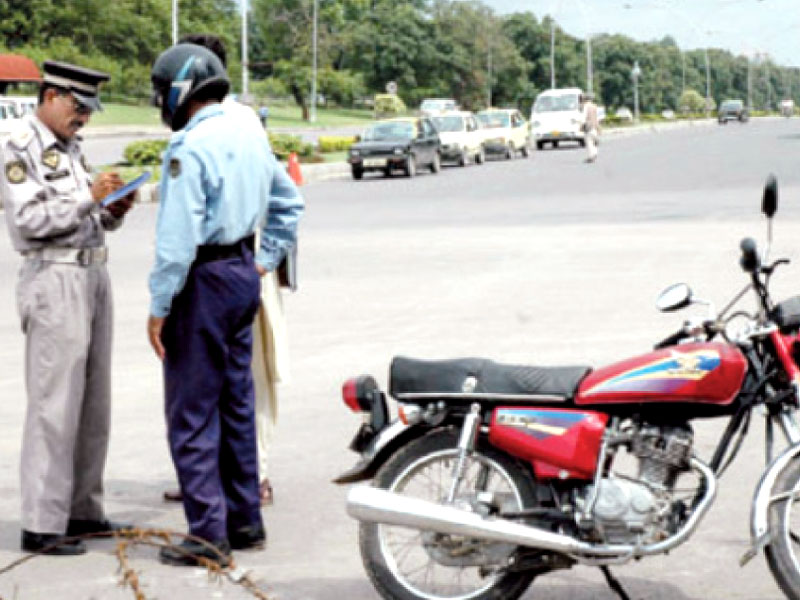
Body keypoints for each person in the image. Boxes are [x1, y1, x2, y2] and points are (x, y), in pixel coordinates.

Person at [147, 43, 303, 567]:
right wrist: (265, 257)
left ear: (179, 91)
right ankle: (245, 522)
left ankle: (208, 535)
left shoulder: (188, 149)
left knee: (190, 412)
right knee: (236, 404)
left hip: (202, 281)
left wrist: (159, 306)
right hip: (241, 275)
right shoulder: (249, 133)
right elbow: (289, 202)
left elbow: (176, 241)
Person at [1, 60, 135, 556]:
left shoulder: (71, 149)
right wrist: (86, 199)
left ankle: (84, 509)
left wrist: (112, 207)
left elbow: (88, 215)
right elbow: (30, 218)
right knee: (54, 405)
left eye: (89, 111)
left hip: (92, 272)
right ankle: (42, 521)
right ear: (52, 95)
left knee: (93, 404)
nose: (84, 119)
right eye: (78, 107)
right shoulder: (18, 147)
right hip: (53, 277)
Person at [582, 92, 600, 163]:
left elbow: (584, 116)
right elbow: (597, 117)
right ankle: (595, 152)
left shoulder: (585, 106)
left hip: (588, 126)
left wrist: (581, 125)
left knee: (588, 141)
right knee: (594, 141)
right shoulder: (594, 106)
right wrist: (598, 127)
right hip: (594, 126)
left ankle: (591, 156)